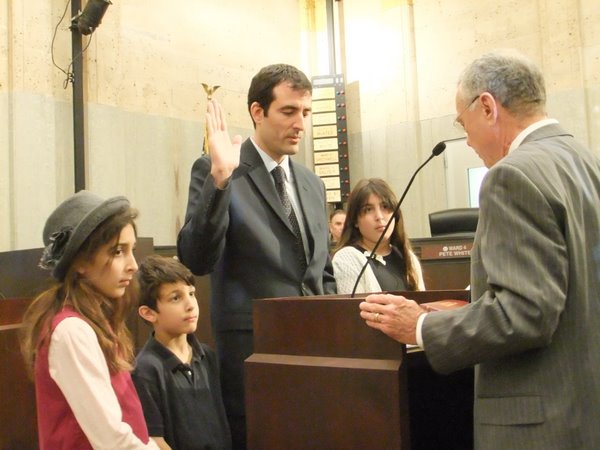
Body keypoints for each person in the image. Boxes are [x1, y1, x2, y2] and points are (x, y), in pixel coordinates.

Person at [359, 49, 600, 448]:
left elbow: (526, 313)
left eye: (462, 121)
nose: (466, 139)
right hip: (582, 410)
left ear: (486, 106)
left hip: (536, 427)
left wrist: (420, 325)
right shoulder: (585, 162)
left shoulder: (513, 173)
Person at [177, 63, 337, 448]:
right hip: (253, 360)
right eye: (288, 111)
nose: (300, 123)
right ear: (257, 112)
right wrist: (220, 180)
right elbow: (196, 259)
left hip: (315, 361)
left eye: (306, 113)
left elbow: (322, 274)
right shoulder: (220, 170)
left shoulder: (313, 184)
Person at [19, 190, 159, 449]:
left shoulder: (94, 322)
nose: (133, 265)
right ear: (81, 261)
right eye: (118, 252)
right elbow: (112, 439)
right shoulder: (71, 331)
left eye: (132, 250)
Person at [132, 255, 231, 450]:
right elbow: (155, 440)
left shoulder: (207, 356)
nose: (190, 305)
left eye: (191, 294)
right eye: (176, 298)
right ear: (148, 313)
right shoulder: (145, 369)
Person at [332, 178, 425, 294]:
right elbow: (356, 310)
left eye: (385, 207)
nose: (379, 216)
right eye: (369, 209)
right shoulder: (346, 259)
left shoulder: (408, 257)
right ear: (355, 220)